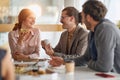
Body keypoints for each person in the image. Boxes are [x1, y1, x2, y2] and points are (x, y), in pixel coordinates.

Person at [49, 0, 120, 73]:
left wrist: (89, 62)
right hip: (103, 75)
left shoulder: (105, 29)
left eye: (82, 16)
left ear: (88, 17)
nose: (81, 20)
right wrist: (64, 61)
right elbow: (85, 58)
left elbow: (104, 67)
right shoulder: (92, 33)